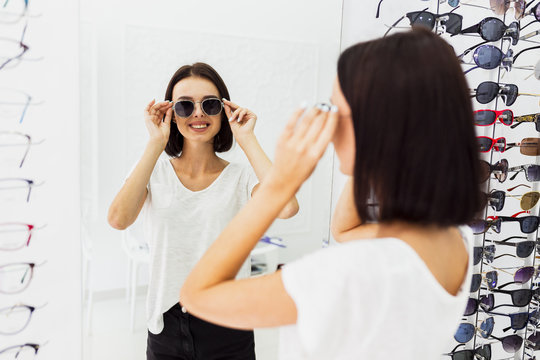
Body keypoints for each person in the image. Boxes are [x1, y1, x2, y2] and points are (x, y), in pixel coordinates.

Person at [180, 29, 483, 359]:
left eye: (336, 112)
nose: (329, 128)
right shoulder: (455, 239)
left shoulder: (348, 274)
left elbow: (197, 295)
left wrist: (281, 185)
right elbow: (346, 230)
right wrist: (371, 159)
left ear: (380, 126)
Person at [107, 62, 299, 360]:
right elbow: (118, 219)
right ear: (170, 112)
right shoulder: (153, 171)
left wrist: (247, 138)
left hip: (229, 321)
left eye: (209, 104)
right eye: (184, 106)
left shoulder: (242, 177)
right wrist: (155, 142)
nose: (198, 113)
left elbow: (287, 207)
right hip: (166, 324)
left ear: (223, 110)